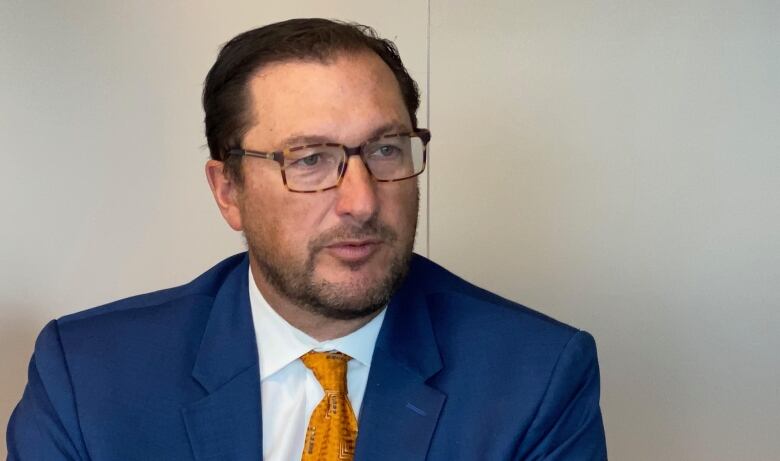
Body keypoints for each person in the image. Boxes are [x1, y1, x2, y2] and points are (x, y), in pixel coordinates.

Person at [6, 18, 606, 461]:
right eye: (311, 159)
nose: (363, 200)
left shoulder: (536, 377)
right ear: (229, 191)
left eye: (386, 149)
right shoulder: (88, 376)